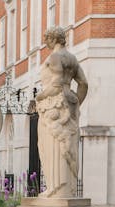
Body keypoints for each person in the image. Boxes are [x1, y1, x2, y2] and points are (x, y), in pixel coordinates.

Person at [35, 26, 88, 198]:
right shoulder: (72, 58)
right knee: (65, 146)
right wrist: (76, 104)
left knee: (51, 147)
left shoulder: (55, 56)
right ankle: (66, 189)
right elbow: (83, 84)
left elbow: (56, 83)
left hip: (52, 105)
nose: (46, 44)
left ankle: (55, 188)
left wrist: (41, 95)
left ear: (53, 39)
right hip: (67, 103)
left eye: (48, 40)